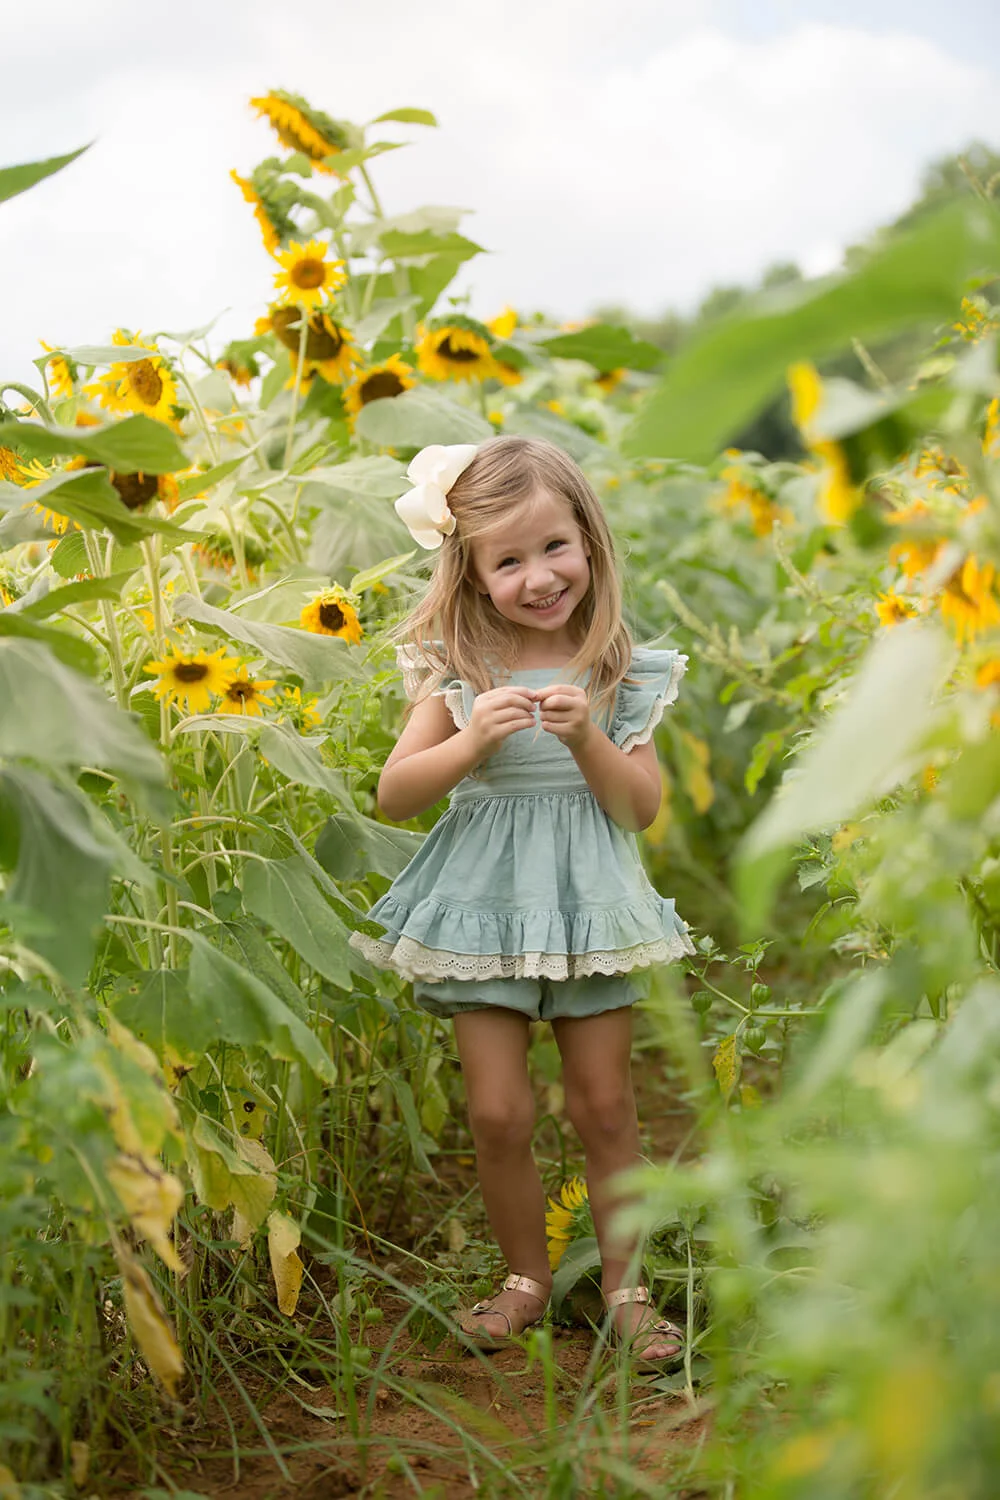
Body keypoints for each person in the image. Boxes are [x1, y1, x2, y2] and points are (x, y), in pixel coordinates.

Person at [350, 436, 696, 1366]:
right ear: (470, 571)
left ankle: (625, 1287)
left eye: (555, 548)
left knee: (605, 1106)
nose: (539, 577)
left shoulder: (616, 664)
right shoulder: (457, 663)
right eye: (508, 560)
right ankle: (525, 1279)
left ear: (589, 538)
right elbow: (398, 794)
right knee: (497, 1112)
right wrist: (470, 744)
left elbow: (640, 808)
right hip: (486, 905)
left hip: (589, 905)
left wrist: (590, 741)